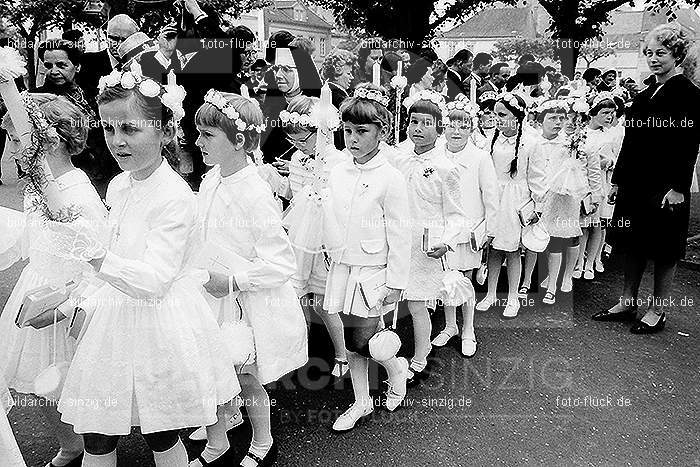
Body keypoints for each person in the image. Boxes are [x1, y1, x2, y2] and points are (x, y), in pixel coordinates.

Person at [56, 63, 239, 467]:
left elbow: (155, 279)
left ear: (165, 131)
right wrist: (81, 295)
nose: (116, 142)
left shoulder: (174, 196)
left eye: (130, 129)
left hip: (161, 322)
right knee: (98, 429)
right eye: (108, 129)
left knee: (161, 429)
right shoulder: (121, 184)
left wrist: (96, 255)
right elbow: (115, 246)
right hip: (114, 319)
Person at [192, 91, 307, 467]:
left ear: (239, 141)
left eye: (208, 135)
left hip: (243, 297)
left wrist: (233, 281)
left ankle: (263, 440)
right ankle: (225, 423)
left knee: (246, 374)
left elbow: (280, 262)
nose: (197, 142)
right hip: (212, 289)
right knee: (214, 364)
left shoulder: (256, 192)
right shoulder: (211, 179)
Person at [0, 71, 107, 467]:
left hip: (70, 298)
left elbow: (96, 260)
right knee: (35, 382)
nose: (11, 151)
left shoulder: (76, 194)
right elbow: (30, 236)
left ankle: (95, 446)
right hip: (38, 287)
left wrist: (69, 304)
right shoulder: (39, 190)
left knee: (74, 385)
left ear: (49, 140)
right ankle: (70, 445)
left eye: (16, 140)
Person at [595, 24, 700, 333]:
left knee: (665, 248)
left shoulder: (689, 96)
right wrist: (617, 181)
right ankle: (627, 302)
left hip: (667, 186)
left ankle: (658, 309)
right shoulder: (642, 97)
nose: (654, 59)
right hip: (635, 183)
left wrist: (679, 187)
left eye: (661, 53)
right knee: (632, 244)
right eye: (649, 53)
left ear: (677, 55)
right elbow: (630, 143)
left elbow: (689, 145)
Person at [324, 83, 412, 431]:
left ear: (381, 132)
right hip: (343, 267)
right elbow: (331, 216)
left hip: (373, 270)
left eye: (362, 131)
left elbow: (401, 232)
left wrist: (397, 281)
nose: (353, 138)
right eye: (348, 131)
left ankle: (397, 369)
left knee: (366, 341)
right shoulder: (338, 170)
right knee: (352, 341)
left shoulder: (390, 178)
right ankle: (361, 401)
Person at [393, 90, 465, 384]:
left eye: (426, 123)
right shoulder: (399, 157)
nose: (418, 129)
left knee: (417, 302)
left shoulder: (446, 168)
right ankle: (385, 351)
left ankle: (420, 357)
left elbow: (458, 214)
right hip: (396, 237)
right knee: (392, 297)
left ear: (439, 128)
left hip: (425, 243)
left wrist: (446, 241)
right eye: (413, 122)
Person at [275, 95, 350, 379]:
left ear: (323, 131)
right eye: (292, 141)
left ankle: (342, 352)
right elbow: (294, 197)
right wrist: (276, 181)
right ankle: (299, 350)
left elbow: (341, 206)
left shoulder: (338, 161)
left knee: (322, 301)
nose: (297, 147)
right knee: (297, 296)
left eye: (303, 140)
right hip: (299, 237)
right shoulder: (297, 158)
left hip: (324, 241)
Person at [432, 96, 498, 356]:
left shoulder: (481, 158)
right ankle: (450, 326)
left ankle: (468, 328)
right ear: (443, 127)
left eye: (463, 126)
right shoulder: (437, 155)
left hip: (470, 231)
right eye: (451, 125)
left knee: (466, 280)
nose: (456, 131)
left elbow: (490, 196)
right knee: (447, 278)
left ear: (471, 129)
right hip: (444, 230)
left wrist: (488, 230)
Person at [475, 92, 547, 319]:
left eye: (502, 114)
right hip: (494, 198)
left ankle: (513, 296)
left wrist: (538, 206)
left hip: (516, 200)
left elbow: (537, 176)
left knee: (513, 249)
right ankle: (491, 293)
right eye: (495, 114)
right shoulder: (490, 140)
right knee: (494, 248)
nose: (497, 118)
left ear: (517, 116)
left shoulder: (531, 143)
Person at [534, 99, 588, 304]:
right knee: (548, 238)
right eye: (552, 118)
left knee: (569, 235)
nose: (558, 122)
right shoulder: (534, 142)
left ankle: (564, 277)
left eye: (561, 118)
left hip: (566, 194)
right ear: (541, 120)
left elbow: (581, 168)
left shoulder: (570, 142)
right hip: (544, 195)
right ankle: (551, 276)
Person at [572, 93, 612, 281]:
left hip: (602, 181)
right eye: (605, 113)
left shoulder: (610, 135)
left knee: (597, 224)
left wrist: (608, 162)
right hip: (582, 181)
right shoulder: (582, 133)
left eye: (611, 113)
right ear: (593, 114)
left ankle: (591, 263)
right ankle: (579, 261)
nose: (609, 117)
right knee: (583, 226)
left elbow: (617, 159)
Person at [321, 49, 357, 149]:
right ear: (337, 74)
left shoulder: (330, 92)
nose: (352, 77)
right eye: (349, 73)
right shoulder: (337, 97)